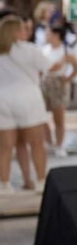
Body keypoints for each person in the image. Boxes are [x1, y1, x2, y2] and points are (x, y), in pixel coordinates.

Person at [0, 15, 51, 188]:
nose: (26, 31)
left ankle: (5, 185)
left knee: (6, 146)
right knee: (37, 143)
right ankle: (41, 182)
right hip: (28, 98)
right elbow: (46, 66)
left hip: (3, 99)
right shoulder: (30, 49)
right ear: (15, 32)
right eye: (22, 28)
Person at [40, 23, 77, 151]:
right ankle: (49, 142)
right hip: (45, 82)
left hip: (59, 82)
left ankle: (59, 145)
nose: (46, 36)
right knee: (41, 115)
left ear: (56, 35)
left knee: (58, 116)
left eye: (48, 33)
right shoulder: (44, 49)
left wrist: (68, 78)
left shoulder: (66, 50)